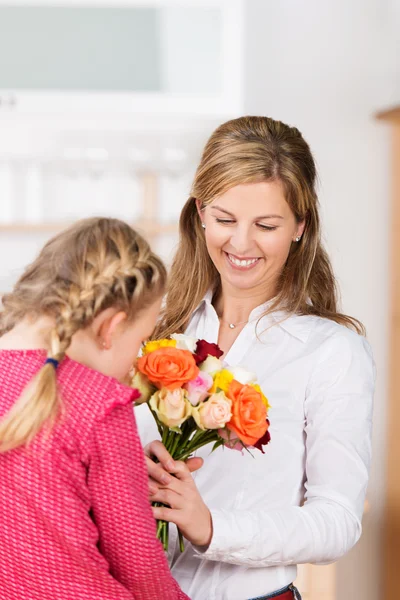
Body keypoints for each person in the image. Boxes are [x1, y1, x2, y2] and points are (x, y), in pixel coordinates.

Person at [135, 116, 375, 600]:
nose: (240, 244)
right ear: (200, 212)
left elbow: (337, 522)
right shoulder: (155, 332)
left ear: (300, 227)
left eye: (266, 225)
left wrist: (211, 528)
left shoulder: (330, 351)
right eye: (224, 219)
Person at [0, 217, 189, 600]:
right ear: (111, 327)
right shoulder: (100, 403)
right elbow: (140, 568)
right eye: (140, 340)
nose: (136, 361)